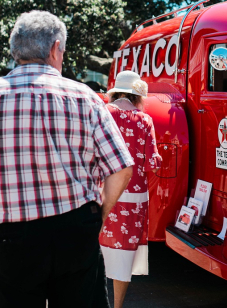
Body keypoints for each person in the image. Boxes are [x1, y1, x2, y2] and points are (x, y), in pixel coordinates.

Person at [0, 11, 134, 308]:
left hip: (11, 237)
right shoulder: (85, 96)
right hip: (76, 229)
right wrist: (100, 213)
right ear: (56, 48)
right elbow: (121, 167)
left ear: (15, 50)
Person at [99, 71, 162, 308]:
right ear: (138, 96)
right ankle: (117, 306)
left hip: (103, 192)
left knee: (97, 250)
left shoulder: (103, 113)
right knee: (123, 256)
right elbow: (150, 163)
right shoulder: (144, 120)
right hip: (133, 198)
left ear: (115, 93)